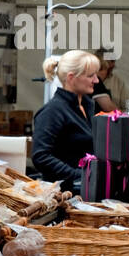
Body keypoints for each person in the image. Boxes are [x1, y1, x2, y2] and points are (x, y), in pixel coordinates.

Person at [31, 50, 99, 192]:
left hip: (86, 189)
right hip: (64, 194)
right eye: (90, 75)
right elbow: (41, 156)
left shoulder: (87, 106)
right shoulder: (52, 111)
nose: (96, 80)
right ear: (71, 78)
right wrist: (78, 175)